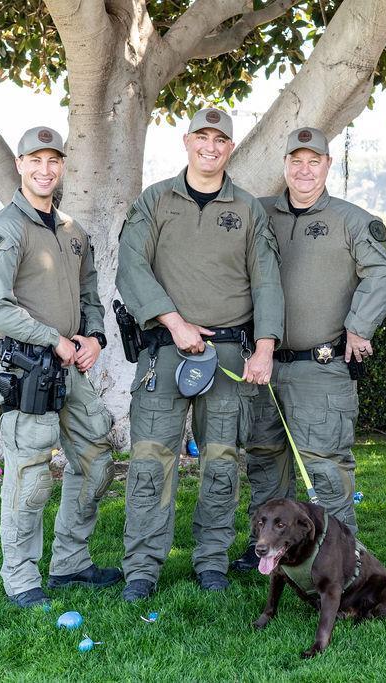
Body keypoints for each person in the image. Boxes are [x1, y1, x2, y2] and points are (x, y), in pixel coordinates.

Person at [115, 107, 283, 601]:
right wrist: (173, 320)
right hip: (165, 353)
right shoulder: (155, 200)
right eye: (202, 138)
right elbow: (131, 266)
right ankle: (142, 567)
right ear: (186, 142)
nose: (210, 148)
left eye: (220, 141)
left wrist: (266, 345)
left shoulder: (248, 208)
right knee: (150, 460)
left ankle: (211, 560)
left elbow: (267, 280)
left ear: (230, 149)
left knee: (222, 460)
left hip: (230, 353)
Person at [231, 127, 386, 572]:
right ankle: (268, 548)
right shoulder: (259, 212)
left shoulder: (353, 220)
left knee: (325, 468)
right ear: (284, 165)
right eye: (296, 161)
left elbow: (383, 273)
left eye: (314, 161)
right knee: (265, 459)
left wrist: (359, 327)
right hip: (263, 364)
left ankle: (338, 557)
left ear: (327, 165)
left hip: (319, 368)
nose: (304, 170)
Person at [0, 126, 121, 608]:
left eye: (53, 161)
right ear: (19, 165)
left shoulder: (72, 231)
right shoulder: (4, 231)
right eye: (34, 160)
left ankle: (70, 563)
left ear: (62, 168)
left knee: (96, 459)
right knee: (31, 475)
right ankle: (20, 577)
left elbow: (89, 293)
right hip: (28, 369)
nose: (44, 169)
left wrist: (94, 338)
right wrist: (52, 338)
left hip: (72, 366)